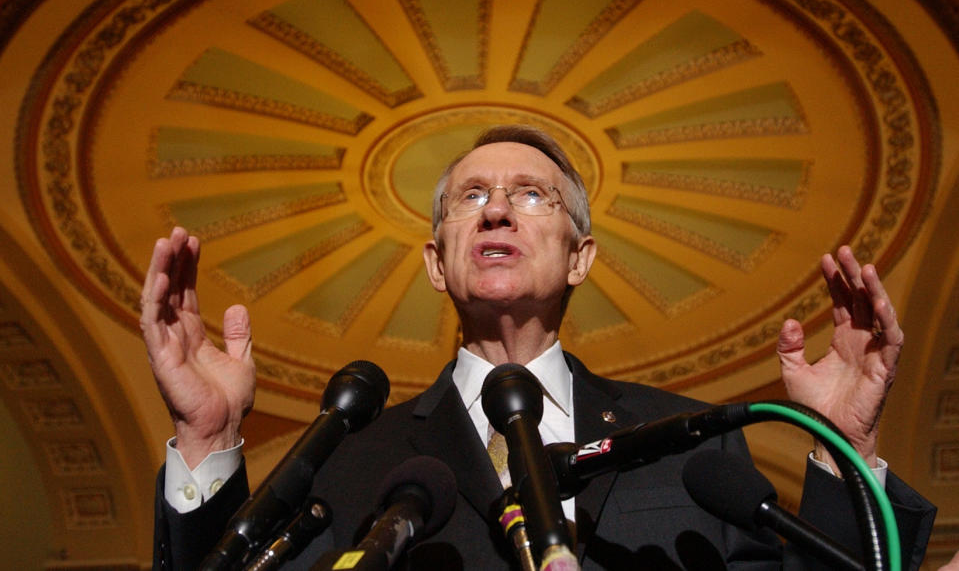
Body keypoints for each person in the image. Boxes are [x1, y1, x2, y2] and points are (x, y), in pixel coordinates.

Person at [145, 125, 935, 570]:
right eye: (470, 199)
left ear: (580, 256)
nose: (496, 213)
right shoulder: (351, 459)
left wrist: (846, 446)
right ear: (434, 261)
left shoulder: (695, 448)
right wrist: (206, 439)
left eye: (530, 196)